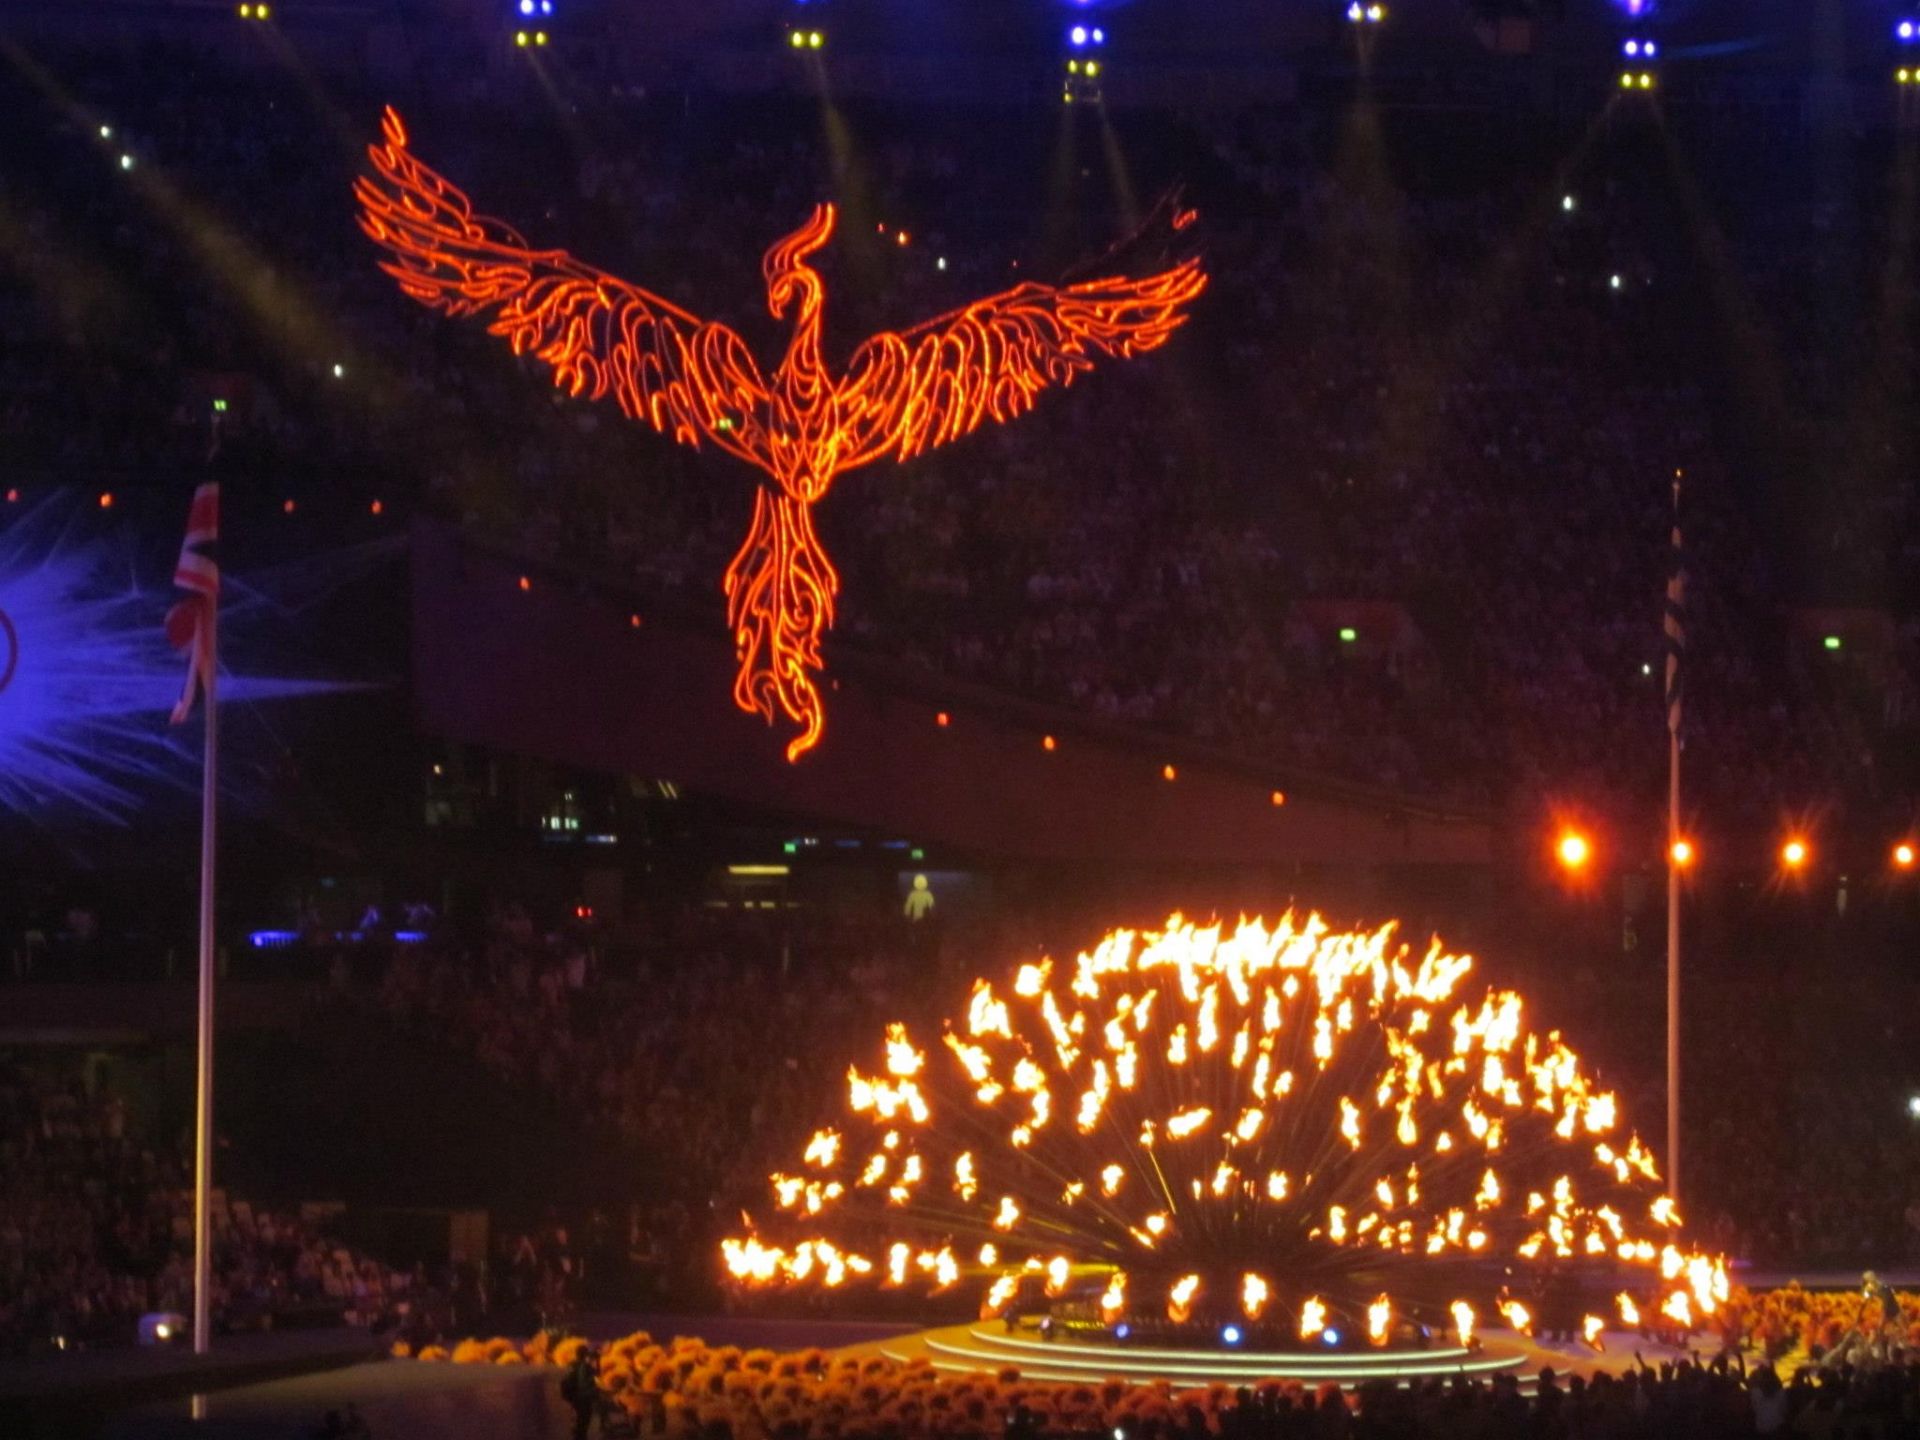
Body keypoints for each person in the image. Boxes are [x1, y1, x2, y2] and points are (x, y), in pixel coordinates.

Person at [563, 1344, 601, 1440]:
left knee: (579, 1422)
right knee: (583, 1422)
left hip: (574, 1397)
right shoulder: (584, 1366)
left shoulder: (572, 1365)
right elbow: (593, 1377)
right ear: (585, 1354)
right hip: (583, 1398)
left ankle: (578, 1436)